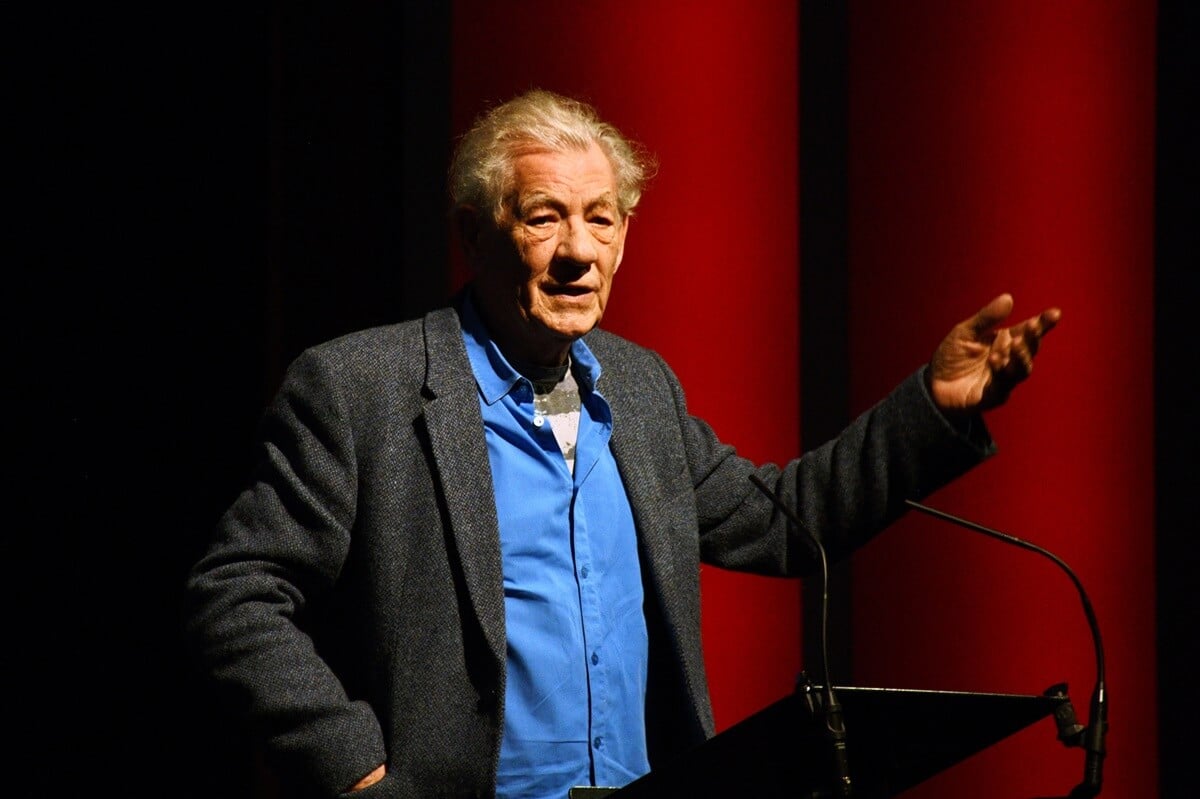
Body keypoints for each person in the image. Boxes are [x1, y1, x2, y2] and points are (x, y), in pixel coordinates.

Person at [185, 88, 1061, 799]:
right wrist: (354, 766)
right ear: (473, 236)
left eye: (601, 220)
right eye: (543, 218)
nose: (577, 252)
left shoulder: (639, 389)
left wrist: (936, 408)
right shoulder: (361, 387)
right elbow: (236, 593)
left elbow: (787, 521)